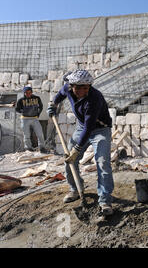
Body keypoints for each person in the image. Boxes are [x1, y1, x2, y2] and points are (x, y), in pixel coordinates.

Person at [47, 69, 114, 215]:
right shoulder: (67, 88)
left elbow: (89, 128)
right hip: (81, 127)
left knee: (102, 162)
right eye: (79, 88)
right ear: (72, 86)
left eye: (86, 87)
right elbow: (59, 95)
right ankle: (75, 189)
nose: (82, 91)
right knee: (69, 160)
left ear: (89, 86)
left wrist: (77, 149)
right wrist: (54, 105)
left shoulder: (95, 98)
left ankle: (105, 200)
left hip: (100, 130)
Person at [15, 86, 48, 153]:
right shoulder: (21, 100)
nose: (28, 94)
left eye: (29, 92)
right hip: (24, 119)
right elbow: (17, 109)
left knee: (40, 133)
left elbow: (41, 106)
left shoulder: (37, 98)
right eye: (26, 93)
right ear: (24, 93)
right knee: (26, 135)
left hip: (34, 118)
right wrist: (22, 111)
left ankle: (42, 148)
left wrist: (38, 114)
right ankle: (28, 148)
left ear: (32, 92)